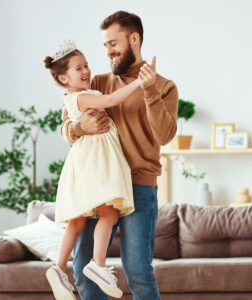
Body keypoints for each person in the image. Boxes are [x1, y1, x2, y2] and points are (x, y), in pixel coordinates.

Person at [61, 11, 179, 300]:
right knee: (84, 271)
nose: (108, 51)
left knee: (137, 270)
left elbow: (165, 135)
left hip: (139, 185)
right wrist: (78, 127)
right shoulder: (97, 83)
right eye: (104, 46)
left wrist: (148, 91)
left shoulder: (164, 86)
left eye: (113, 43)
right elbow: (65, 124)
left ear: (134, 39)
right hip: (98, 184)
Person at [44, 40, 152, 299]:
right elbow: (113, 99)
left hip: (83, 162)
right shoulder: (84, 96)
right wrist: (141, 82)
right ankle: (98, 264)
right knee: (108, 212)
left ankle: (58, 267)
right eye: (78, 68)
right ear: (63, 77)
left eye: (86, 65)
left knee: (78, 221)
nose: (85, 71)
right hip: (97, 161)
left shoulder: (71, 99)